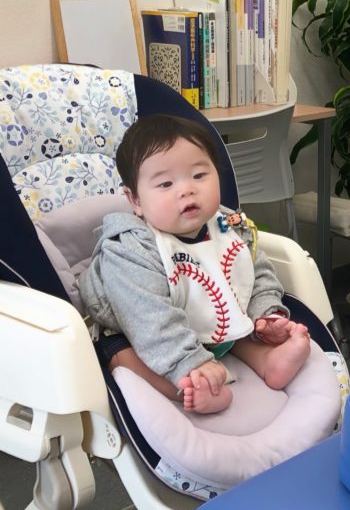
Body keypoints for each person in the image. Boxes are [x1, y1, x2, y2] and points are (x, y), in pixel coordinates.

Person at [80, 114, 311, 415]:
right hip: (132, 326)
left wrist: (264, 315)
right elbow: (151, 322)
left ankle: (267, 362)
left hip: (195, 315)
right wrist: (192, 365)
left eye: (199, 176)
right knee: (122, 357)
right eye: (165, 183)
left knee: (230, 323)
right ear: (135, 199)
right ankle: (191, 388)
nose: (186, 189)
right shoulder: (129, 249)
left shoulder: (228, 226)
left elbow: (257, 272)